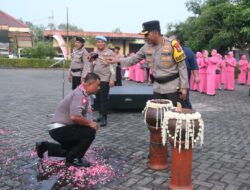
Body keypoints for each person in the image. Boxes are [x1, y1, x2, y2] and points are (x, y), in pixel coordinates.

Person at [107, 20, 188, 107]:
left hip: (173, 88)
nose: (145, 37)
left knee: (173, 116)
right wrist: (118, 61)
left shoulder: (173, 45)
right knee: (158, 116)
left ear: (156, 33)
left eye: (146, 34)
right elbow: (133, 59)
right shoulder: (146, 47)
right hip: (157, 88)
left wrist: (183, 87)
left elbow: (182, 67)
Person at [35, 73, 100, 167]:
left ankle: (44, 146)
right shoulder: (79, 94)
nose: (99, 88)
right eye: (97, 85)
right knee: (90, 132)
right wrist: (91, 123)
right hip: (59, 129)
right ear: (90, 84)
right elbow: (75, 117)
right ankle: (72, 159)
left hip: (60, 128)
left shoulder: (81, 92)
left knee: (74, 148)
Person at [91, 36, 116, 127]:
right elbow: (92, 65)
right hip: (95, 79)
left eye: (101, 42)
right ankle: (100, 115)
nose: (99, 44)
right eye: (98, 42)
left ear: (105, 43)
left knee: (103, 99)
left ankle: (104, 118)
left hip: (105, 79)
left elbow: (113, 67)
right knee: (97, 99)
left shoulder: (110, 53)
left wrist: (112, 79)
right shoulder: (95, 53)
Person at [170, 34, 200, 109]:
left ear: (178, 42)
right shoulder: (167, 51)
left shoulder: (187, 51)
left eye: (172, 41)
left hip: (184, 79)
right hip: (170, 79)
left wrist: (196, 76)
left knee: (184, 98)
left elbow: (194, 64)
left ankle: (188, 114)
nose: (170, 42)